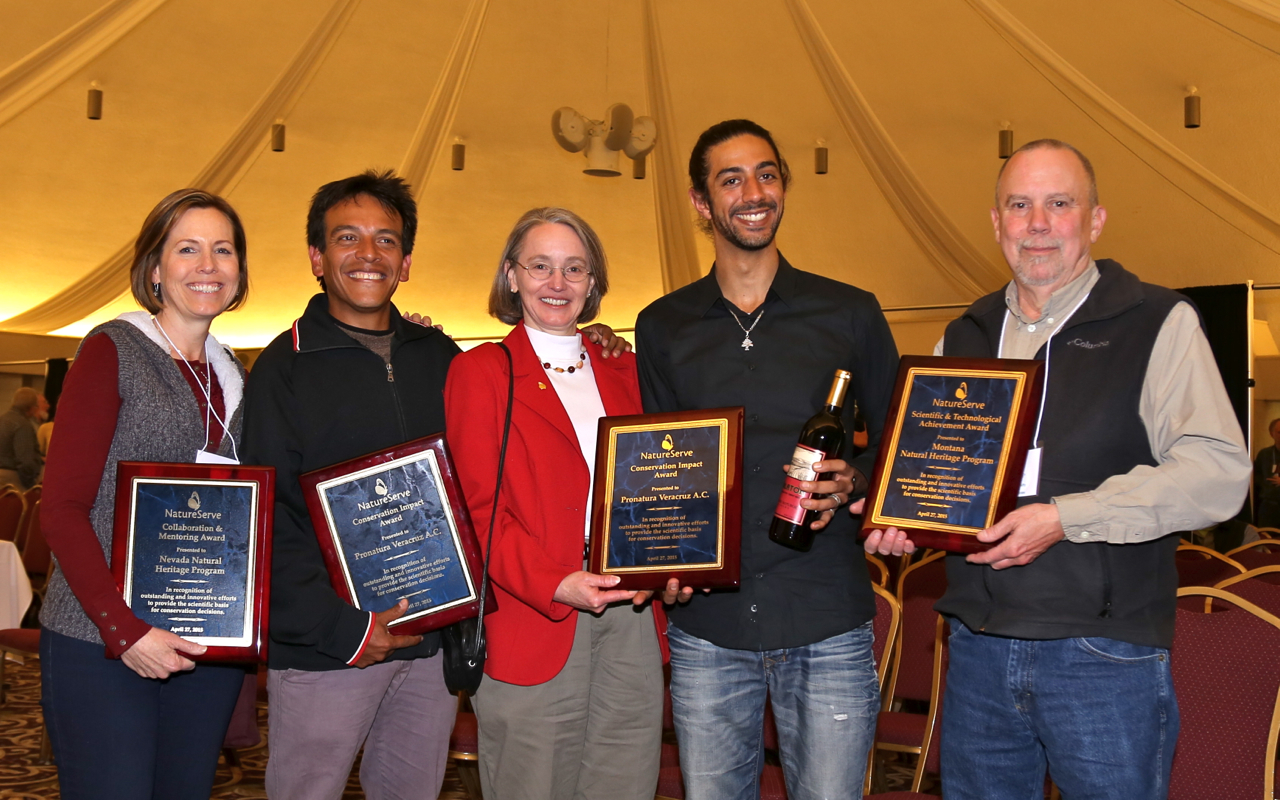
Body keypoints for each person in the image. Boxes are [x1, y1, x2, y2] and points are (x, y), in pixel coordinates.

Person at [866, 139, 1251, 799]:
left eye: (1059, 203)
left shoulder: (1159, 321)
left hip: (1104, 657)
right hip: (979, 649)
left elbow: (1218, 472)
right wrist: (906, 519)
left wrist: (1066, 518)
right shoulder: (962, 336)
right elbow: (935, 470)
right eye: (1019, 204)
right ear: (997, 223)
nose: (1037, 223)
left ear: (1095, 220)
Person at [635, 119, 899, 800]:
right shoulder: (661, 326)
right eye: (731, 179)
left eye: (767, 174)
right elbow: (656, 473)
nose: (753, 192)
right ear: (702, 202)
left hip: (827, 618)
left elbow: (908, 440)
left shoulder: (850, 313)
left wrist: (860, 481)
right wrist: (661, 557)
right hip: (709, 628)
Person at [242, 170, 461, 800]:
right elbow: (268, 521)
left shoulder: (442, 358)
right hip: (329, 647)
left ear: (407, 261)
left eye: (386, 240)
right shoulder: (281, 370)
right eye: (347, 237)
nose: (368, 254)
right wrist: (344, 631)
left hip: (428, 641)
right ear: (317, 256)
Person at [444, 208, 668, 800]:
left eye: (574, 268)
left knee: (625, 780)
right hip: (534, 612)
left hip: (632, 611)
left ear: (593, 283)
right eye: (539, 266)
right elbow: (477, 510)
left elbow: (667, 487)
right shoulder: (481, 372)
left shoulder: (629, 371)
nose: (557, 282)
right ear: (511, 276)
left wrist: (668, 562)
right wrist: (556, 582)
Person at [38, 189, 252, 799]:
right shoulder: (113, 350)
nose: (208, 265)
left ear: (239, 271)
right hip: (101, 639)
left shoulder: (235, 372)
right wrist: (124, 630)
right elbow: (61, 511)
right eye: (187, 249)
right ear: (155, 269)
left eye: (223, 250)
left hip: (202, 645)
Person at [0, 387, 43, 489]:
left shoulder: (2, 419)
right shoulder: (22, 425)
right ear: (31, 407)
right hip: (10, 479)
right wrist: (30, 485)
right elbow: (25, 461)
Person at [1254, 418, 1280, 528]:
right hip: (1269, 509)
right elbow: (1256, 479)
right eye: (1279, 432)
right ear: (1272, 434)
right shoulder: (1265, 454)